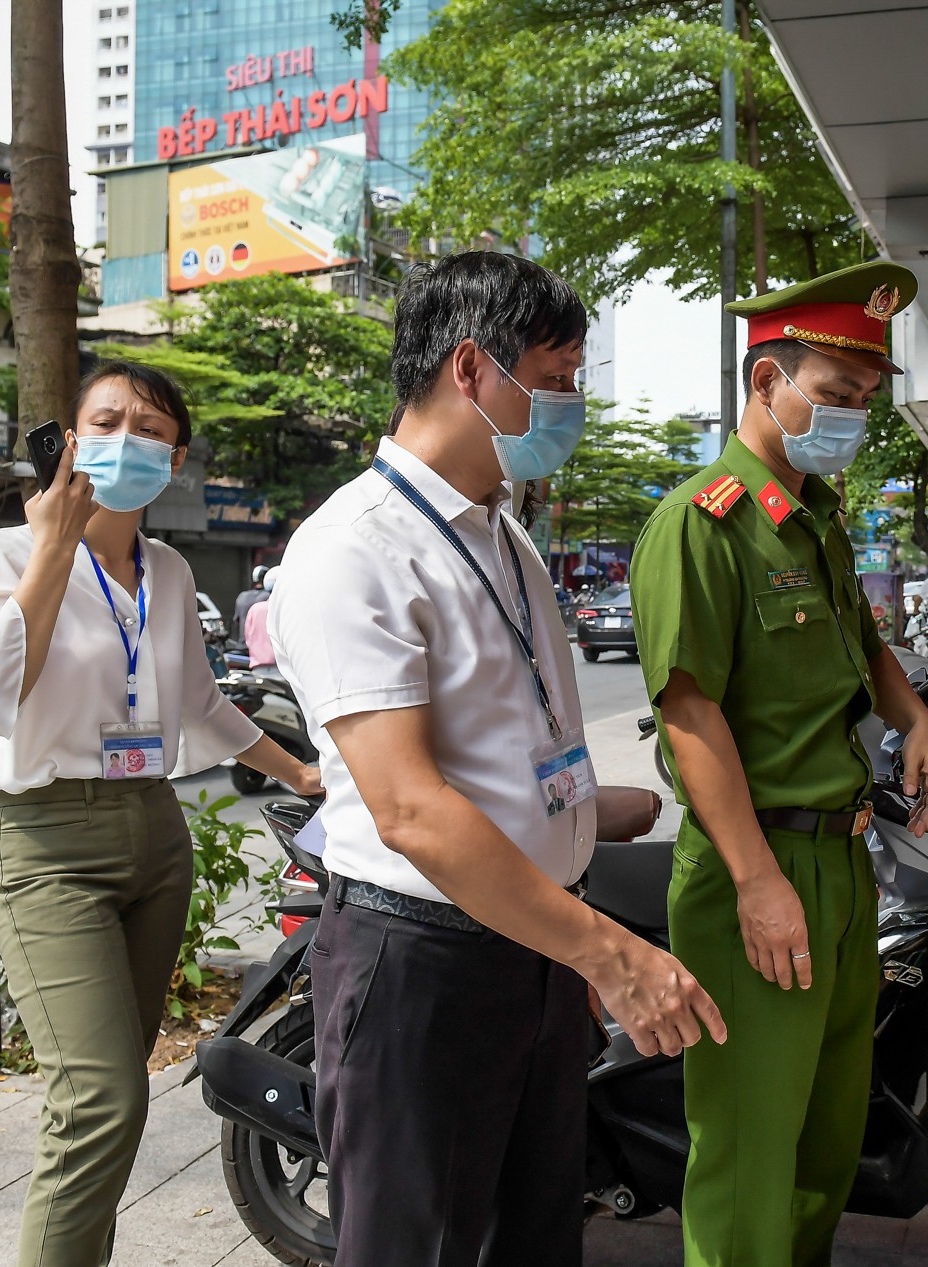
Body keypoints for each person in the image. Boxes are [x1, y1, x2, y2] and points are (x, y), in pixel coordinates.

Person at [269, 250, 723, 1267]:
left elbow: (496, 736)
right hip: (424, 960)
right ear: (471, 370)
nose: (570, 406)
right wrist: (610, 951)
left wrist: (576, 810)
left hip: (530, 941)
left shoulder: (503, 535)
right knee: (419, 1246)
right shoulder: (356, 548)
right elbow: (411, 810)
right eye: (556, 380)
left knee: (533, 1235)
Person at [0, 361, 323, 1267]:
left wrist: (301, 774)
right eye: (105, 420)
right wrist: (50, 545)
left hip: (154, 835)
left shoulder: (170, 567)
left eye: (149, 428)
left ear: (176, 456)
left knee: (114, 1106)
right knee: (98, 1100)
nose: (126, 439)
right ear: (68, 440)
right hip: (43, 840)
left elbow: (198, 704)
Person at [630, 259, 928, 1267]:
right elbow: (689, 715)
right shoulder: (702, 522)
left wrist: (916, 719)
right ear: (767, 384)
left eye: (862, 400)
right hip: (753, 868)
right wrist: (758, 881)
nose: (851, 415)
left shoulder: (813, 519)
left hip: (844, 865)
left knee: (824, 1141)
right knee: (748, 1159)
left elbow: (860, 639)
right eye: (836, 393)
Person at [242, 565, 278, 669]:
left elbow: (247, 634)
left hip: (255, 662)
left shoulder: (251, 605)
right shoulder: (281, 609)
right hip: (279, 666)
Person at [232, 565, 269, 639]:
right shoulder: (269, 596)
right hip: (261, 645)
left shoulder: (242, 596)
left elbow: (236, 620)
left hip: (242, 643)